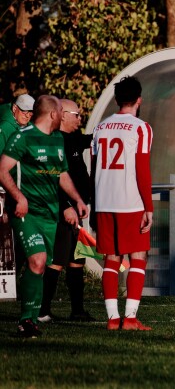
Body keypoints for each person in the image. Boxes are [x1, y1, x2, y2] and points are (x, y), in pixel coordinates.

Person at [0, 95, 89, 338]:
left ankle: (31, 317)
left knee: (38, 267)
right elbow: (2, 169)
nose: (64, 115)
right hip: (27, 213)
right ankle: (27, 321)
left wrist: (78, 200)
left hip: (51, 214)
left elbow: (61, 174)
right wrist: (19, 197)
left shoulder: (58, 139)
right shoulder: (22, 136)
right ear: (52, 114)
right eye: (62, 111)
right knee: (38, 260)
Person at [91, 77, 155, 330]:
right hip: (130, 202)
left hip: (104, 200)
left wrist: (94, 202)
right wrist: (148, 207)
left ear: (117, 100)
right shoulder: (141, 128)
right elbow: (142, 169)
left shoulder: (100, 127)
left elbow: (95, 167)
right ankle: (129, 317)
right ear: (139, 99)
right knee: (138, 257)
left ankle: (111, 319)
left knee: (111, 258)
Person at [39, 98, 94, 322]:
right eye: (76, 114)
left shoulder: (73, 139)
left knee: (76, 259)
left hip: (77, 209)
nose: (80, 119)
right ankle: (42, 310)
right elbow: (52, 178)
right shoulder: (54, 141)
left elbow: (92, 139)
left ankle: (77, 310)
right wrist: (65, 207)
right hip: (63, 211)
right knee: (57, 260)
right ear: (62, 115)